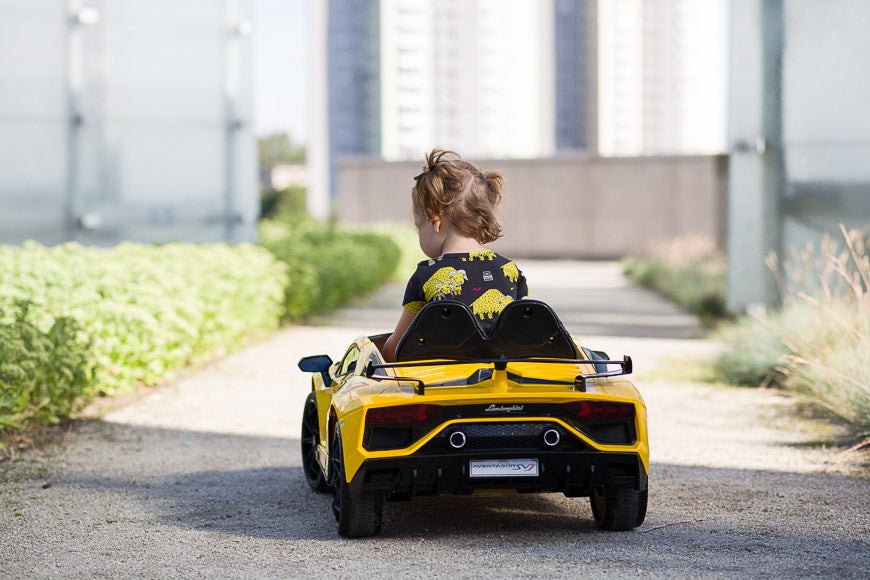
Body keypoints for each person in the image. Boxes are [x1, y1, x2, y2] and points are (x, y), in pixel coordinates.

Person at [383, 149, 528, 362]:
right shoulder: (509, 270)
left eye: (418, 226)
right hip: (501, 385)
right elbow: (527, 332)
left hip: (442, 388)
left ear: (434, 219)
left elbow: (395, 351)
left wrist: (382, 352)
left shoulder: (426, 276)